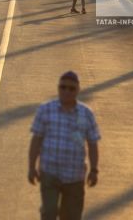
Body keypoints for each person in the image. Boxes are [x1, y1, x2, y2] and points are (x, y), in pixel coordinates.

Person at [28, 71, 100, 220]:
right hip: (49, 172)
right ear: (58, 88)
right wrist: (31, 167)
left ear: (78, 90)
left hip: (74, 176)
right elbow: (36, 140)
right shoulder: (46, 110)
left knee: (72, 216)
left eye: (71, 88)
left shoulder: (86, 114)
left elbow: (92, 143)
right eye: (63, 87)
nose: (67, 91)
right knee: (49, 211)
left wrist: (94, 170)